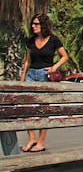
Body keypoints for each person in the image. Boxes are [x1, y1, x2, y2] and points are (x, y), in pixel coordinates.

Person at [20, 13, 68, 153]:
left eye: (36, 24)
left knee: (43, 109)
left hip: (44, 75)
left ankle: (40, 142)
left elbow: (65, 56)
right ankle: (31, 139)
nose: (33, 26)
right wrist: (22, 80)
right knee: (25, 108)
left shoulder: (53, 40)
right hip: (30, 75)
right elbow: (27, 60)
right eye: (32, 24)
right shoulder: (31, 41)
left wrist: (54, 67)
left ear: (43, 25)